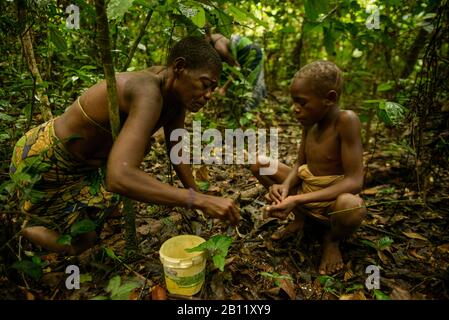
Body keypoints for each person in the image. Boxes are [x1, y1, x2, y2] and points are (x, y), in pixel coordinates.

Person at [9, 36, 240, 256]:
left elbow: (176, 151)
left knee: (95, 227)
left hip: (85, 168)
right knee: (80, 243)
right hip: (45, 159)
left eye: (212, 88)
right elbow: (119, 177)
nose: (209, 95)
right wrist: (198, 200)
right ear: (179, 67)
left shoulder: (176, 98)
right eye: (205, 84)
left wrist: (198, 194)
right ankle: (18, 230)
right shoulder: (147, 91)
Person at [250, 61, 366, 275]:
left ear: (329, 99)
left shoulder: (346, 121)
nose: (296, 109)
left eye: (302, 103)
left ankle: (332, 241)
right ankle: (300, 220)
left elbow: (354, 181)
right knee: (259, 164)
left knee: (351, 205)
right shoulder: (310, 122)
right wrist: (285, 187)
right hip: (307, 188)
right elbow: (299, 164)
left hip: (331, 202)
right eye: (294, 102)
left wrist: (296, 199)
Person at [206, 31, 267, 111]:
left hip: (253, 55)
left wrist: (223, 89)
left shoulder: (218, 46)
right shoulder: (214, 39)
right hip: (245, 56)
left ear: (207, 35)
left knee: (249, 85)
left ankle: (246, 111)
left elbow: (236, 68)